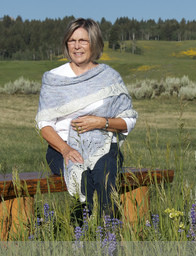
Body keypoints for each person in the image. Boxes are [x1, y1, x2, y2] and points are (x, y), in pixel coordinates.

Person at [35, 18, 138, 218]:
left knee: (105, 178)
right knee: (81, 179)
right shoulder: (54, 78)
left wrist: (102, 122)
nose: (77, 46)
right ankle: (81, 234)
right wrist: (66, 150)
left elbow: (128, 120)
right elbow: (44, 124)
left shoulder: (109, 77)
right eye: (71, 41)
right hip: (62, 147)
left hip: (104, 145)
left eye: (83, 40)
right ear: (66, 44)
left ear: (94, 43)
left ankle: (109, 233)